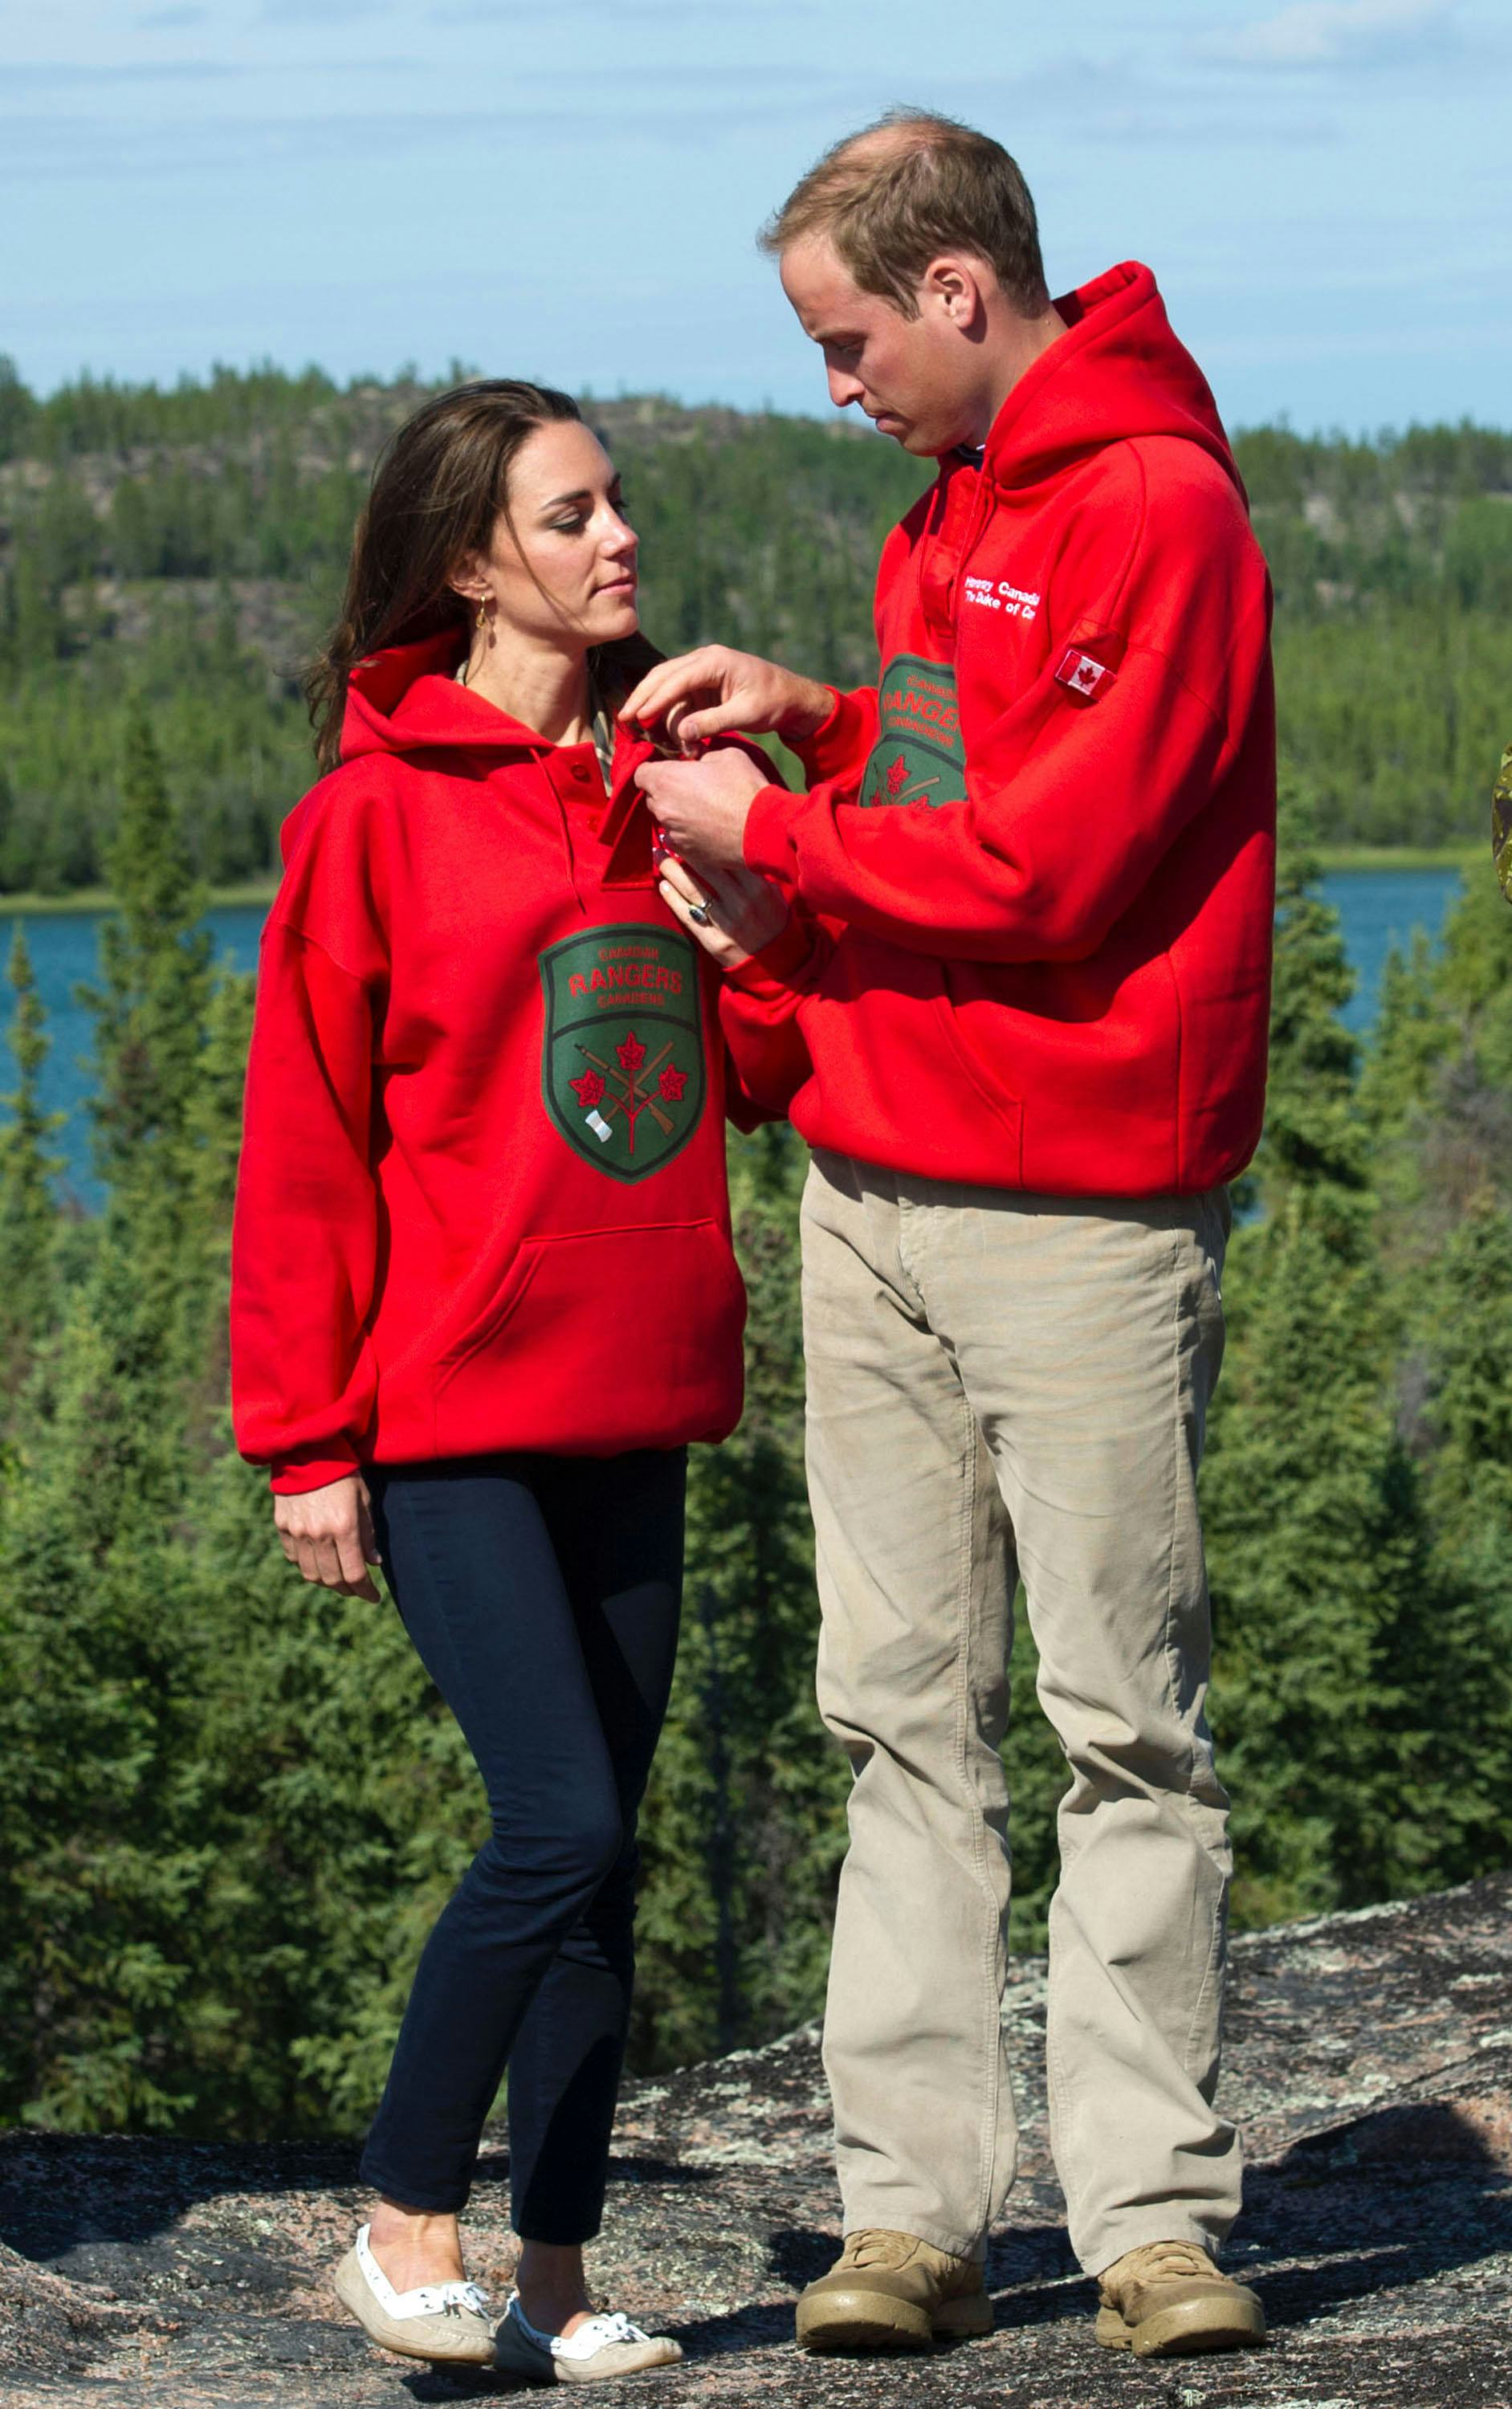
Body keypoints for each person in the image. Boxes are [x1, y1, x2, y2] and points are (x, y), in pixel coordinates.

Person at [626, 112, 1276, 2362]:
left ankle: (1151, 2219)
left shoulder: (1157, 512)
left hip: (1086, 1217)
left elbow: (1049, 876)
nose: (834, 385)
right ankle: (909, 2213)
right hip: (875, 1189)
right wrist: (809, 715)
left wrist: (767, 828)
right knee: (898, 1719)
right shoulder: (951, 514)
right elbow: (942, 766)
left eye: (841, 341)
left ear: (954, 295)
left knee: (1120, 1727)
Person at [229, 380, 810, 2381]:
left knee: (604, 1869)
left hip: (634, 1394)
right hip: (452, 1412)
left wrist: (744, 947)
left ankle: (557, 2281)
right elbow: (303, 1146)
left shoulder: (671, 791)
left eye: (621, 504)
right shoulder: (373, 811)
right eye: (572, 516)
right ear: (472, 559)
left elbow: (743, 1089)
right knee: (553, 1819)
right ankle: (404, 2223)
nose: (619, 539)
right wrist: (307, 1439)